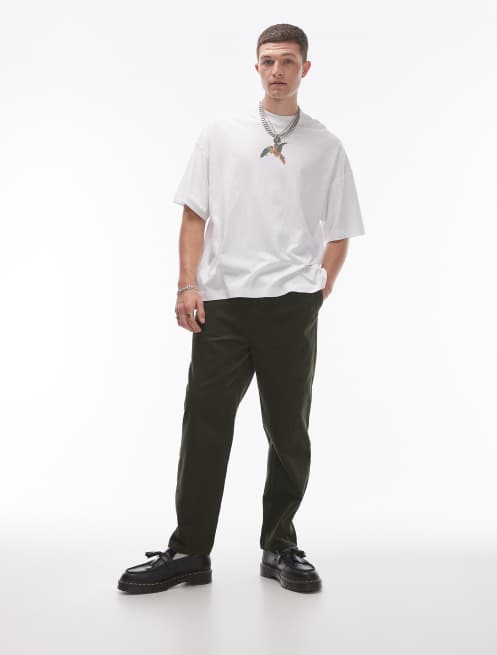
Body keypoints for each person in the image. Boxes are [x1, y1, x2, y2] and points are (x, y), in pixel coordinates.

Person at [117, 22, 365, 595]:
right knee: (204, 425)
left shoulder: (326, 145)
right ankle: (189, 551)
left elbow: (341, 230)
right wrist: (187, 284)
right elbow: (194, 214)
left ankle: (280, 546)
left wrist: (316, 290)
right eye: (268, 60)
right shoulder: (220, 135)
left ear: (306, 68)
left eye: (289, 61)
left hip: (290, 307)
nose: (278, 70)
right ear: (256, 66)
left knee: (288, 429)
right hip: (223, 304)